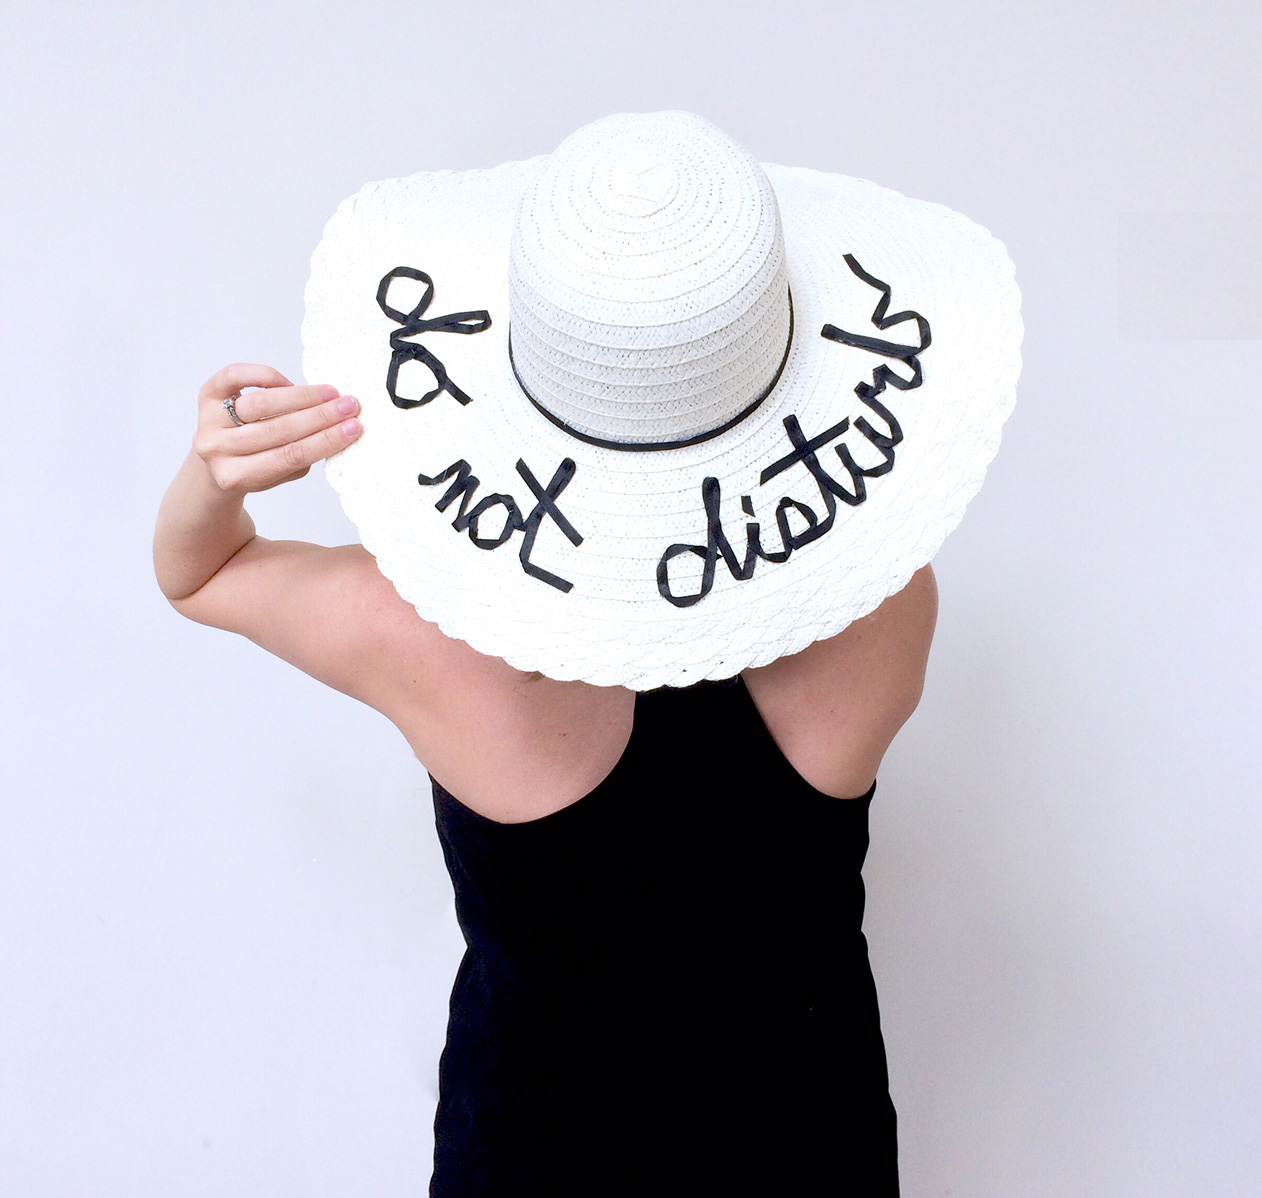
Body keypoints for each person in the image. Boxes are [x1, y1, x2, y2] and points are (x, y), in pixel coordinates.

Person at [155, 112, 1020, 1195]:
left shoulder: (422, 636)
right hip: (814, 1149)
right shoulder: (891, 608)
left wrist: (215, 473)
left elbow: (199, 575)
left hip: (529, 1158)